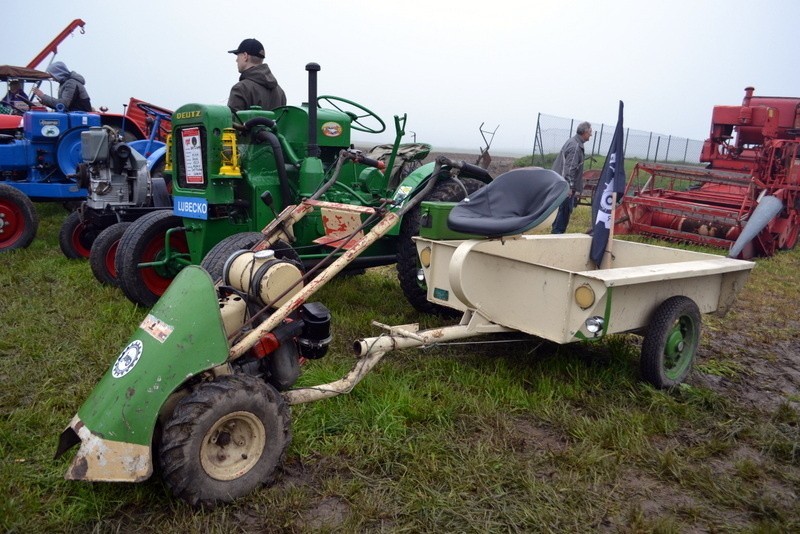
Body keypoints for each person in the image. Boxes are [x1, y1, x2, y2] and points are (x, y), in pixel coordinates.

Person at [551, 121, 592, 234]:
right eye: (590, 132)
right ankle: (556, 237)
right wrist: (569, 187)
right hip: (564, 186)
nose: (591, 135)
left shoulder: (574, 142)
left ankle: (556, 234)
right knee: (563, 213)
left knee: (561, 213)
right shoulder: (575, 146)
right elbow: (569, 169)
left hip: (560, 183)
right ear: (584, 132)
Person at [227, 38, 286, 112]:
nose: (236, 60)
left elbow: (232, 121)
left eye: (238, 55)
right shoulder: (280, 92)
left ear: (245, 56)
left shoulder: (240, 89)